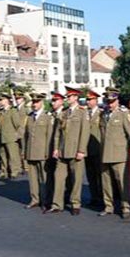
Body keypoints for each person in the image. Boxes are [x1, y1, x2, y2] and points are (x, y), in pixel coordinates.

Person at [51, 87, 88, 215]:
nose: (68, 99)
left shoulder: (82, 112)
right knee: (59, 177)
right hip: (62, 150)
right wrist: (56, 148)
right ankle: (57, 204)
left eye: (70, 96)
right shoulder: (64, 113)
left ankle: (75, 203)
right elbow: (57, 132)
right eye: (67, 97)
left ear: (76, 97)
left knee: (76, 179)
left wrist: (81, 150)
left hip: (75, 150)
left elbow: (85, 133)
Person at [99, 88, 130, 219]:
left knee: (122, 182)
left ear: (117, 100)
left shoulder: (123, 114)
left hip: (119, 154)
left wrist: (125, 149)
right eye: (108, 101)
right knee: (106, 182)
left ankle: (126, 207)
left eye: (112, 101)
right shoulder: (103, 114)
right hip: (105, 153)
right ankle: (108, 206)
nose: (110, 104)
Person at [23, 93, 53, 209]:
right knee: (32, 178)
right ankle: (35, 199)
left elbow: (49, 136)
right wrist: (25, 151)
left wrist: (48, 152)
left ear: (42, 103)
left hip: (42, 152)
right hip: (31, 152)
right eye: (33, 102)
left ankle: (46, 201)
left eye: (36, 102)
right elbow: (26, 136)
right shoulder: (29, 117)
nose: (34, 104)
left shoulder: (47, 117)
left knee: (44, 178)